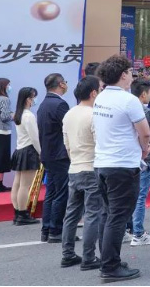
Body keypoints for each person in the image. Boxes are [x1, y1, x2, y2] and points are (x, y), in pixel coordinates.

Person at [92, 55, 150, 282]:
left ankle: (108, 260)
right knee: (118, 216)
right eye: (130, 72)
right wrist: (144, 149)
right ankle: (110, 266)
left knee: (107, 214)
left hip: (103, 163)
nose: (132, 76)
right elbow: (145, 132)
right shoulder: (129, 100)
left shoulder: (101, 97)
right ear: (123, 74)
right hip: (122, 164)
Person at [60, 76, 104, 269]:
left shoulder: (69, 114)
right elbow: (100, 143)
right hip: (91, 167)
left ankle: (68, 254)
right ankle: (89, 257)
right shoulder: (94, 115)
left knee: (71, 214)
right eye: (100, 89)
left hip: (74, 168)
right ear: (93, 93)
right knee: (93, 214)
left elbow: (67, 145)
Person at [37, 73, 72, 243]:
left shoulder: (44, 104)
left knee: (51, 192)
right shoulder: (59, 104)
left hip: (48, 154)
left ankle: (47, 229)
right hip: (59, 155)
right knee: (61, 193)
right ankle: (56, 230)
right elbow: (68, 129)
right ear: (61, 84)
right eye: (65, 82)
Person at [128, 79, 150, 246]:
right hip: (144, 157)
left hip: (128, 157)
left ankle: (128, 229)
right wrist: (148, 150)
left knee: (128, 194)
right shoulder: (145, 112)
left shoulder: (125, 108)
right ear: (143, 94)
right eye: (149, 92)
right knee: (140, 195)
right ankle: (138, 232)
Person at [10, 87, 40, 225]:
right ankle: (23, 214)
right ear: (28, 99)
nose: (34, 100)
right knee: (25, 185)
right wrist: (41, 152)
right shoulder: (29, 116)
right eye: (33, 97)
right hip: (29, 151)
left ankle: (17, 213)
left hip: (20, 150)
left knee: (17, 184)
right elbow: (34, 138)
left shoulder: (18, 114)